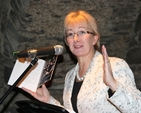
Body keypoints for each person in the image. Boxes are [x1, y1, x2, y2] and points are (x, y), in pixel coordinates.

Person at [23, 10, 141, 113]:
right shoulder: (70, 76)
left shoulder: (116, 65)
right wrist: (48, 100)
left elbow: (138, 108)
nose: (75, 39)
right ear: (66, 41)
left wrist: (114, 85)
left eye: (82, 32)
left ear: (94, 39)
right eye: (70, 34)